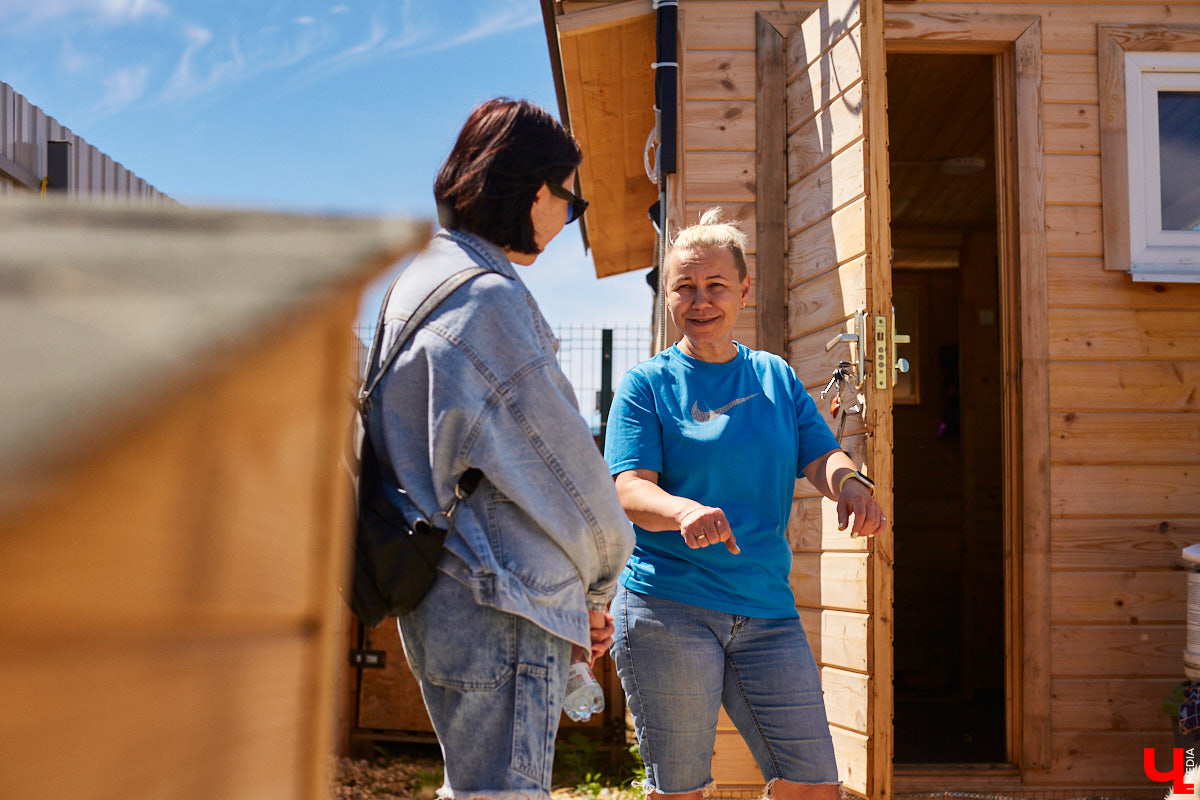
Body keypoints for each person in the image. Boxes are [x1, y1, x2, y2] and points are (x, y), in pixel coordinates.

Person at [366, 98, 635, 799]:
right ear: (538, 190)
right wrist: (600, 587)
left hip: (435, 593)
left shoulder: (416, 285)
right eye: (569, 203)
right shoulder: (488, 303)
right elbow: (567, 473)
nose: (566, 221)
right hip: (502, 601)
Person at [603, 208, 888, 800]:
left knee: (813, 786)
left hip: (766, 611)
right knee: (681, 791)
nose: (700, 301)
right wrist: (683, 511)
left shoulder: (775, 378)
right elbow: (629, 488)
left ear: (743, 291)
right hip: (668, 607)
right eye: (684, 288)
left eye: (715, 287)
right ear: (669, 298)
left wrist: (853, 484)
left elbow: (821, 455)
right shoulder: (646, 385)